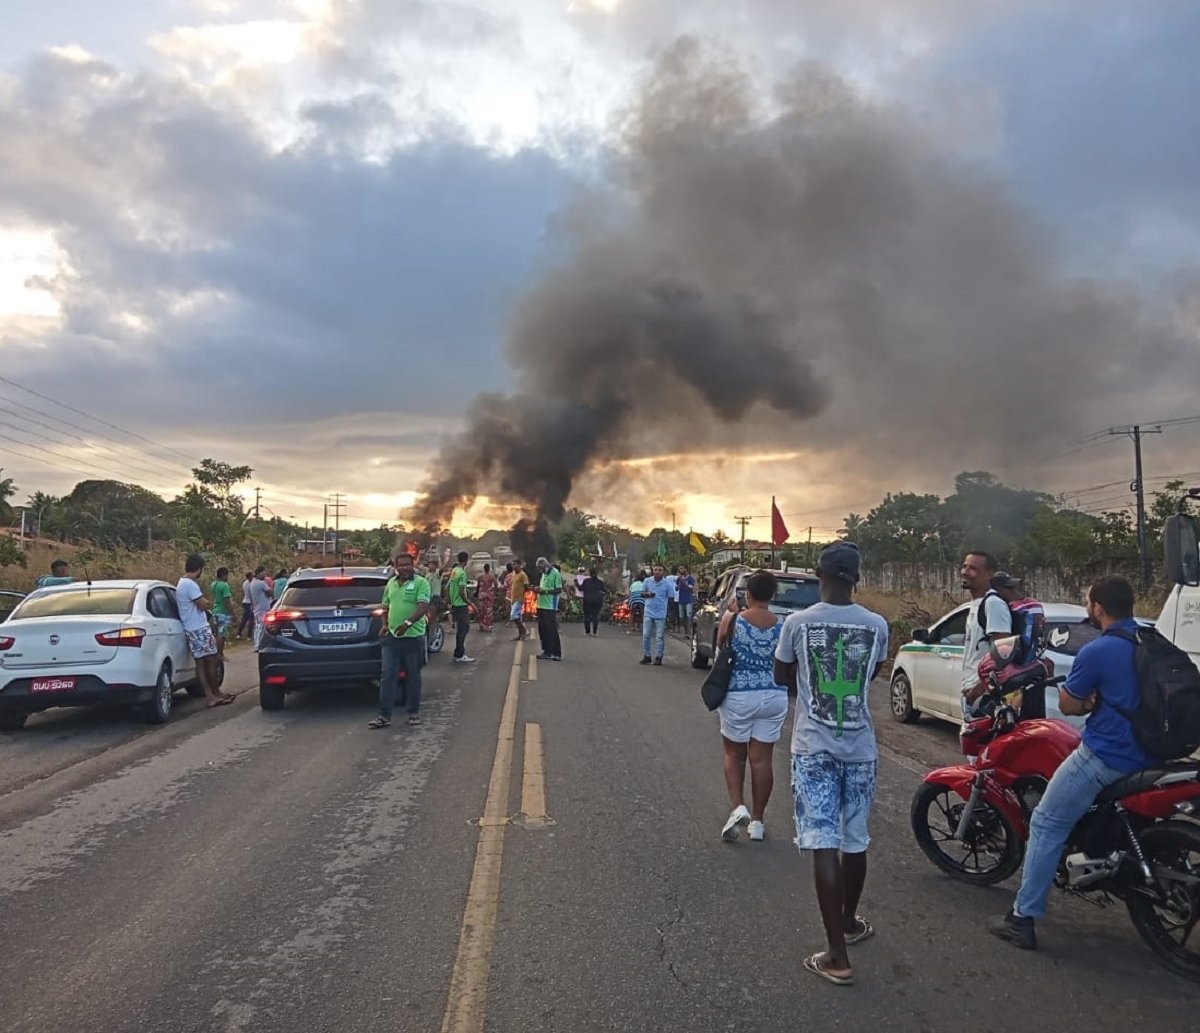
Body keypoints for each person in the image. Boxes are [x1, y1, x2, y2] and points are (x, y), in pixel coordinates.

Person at [990, 575, 1155, 951]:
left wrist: (1089, 701)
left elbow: (1069, 704)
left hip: (1107, 754)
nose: (1087, 608)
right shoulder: (1150, 639)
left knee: (1047, 821)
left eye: (1088, 602)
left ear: (1097, 607)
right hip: (1152, 754)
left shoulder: (1099, 650)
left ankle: (1022, 918)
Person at [774, 542, 889, 987]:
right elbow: (872, 672)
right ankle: (849, 922)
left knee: (823, 840)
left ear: (820, 574)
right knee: (855, 839)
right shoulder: (876, 624)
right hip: (860, 747)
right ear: (856, 577)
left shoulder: (798, 623)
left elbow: (782, 674)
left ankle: (836, 956)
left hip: (813, 746)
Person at [715, 569, 789, 843]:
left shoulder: (732, 620)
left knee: (734, 754)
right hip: (773, 695)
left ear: (747, 592)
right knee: (762, 759)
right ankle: (757, 822)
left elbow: (722, 647)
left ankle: (738, 808)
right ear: (772, 595)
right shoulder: (784, 625)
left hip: (739, 694)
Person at [369, 551, 432, 729]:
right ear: (395, 567)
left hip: (413, 637)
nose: (404, 568)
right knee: (388, 676)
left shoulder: (421, 583)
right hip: (391, 638)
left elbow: (422, 606)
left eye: (407, 564)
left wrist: (407, 623)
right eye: (401, 565)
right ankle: (384, 716)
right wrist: (384, 624)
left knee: (413, 677)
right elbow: (385, 606)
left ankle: (413, 713)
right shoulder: (391, 583)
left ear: (413, 565)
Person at [975, 572, 1047, 720]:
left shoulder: (1015, 610)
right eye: (1010, 588)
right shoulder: (1001, 607)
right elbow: (1001, 656)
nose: (1015, 592)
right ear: (999, 589)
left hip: (1020, 680)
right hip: (1016, 680)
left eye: (1015, 588)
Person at [959, 552, 1012, 722]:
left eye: (973, 568)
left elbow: (1004, 653)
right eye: (965, 566)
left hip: (984, 698)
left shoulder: (993, 604)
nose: (965, 572)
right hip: (971, 695)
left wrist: (980, 689)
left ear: (989, 574)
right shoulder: (977, 605)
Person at [176, 554, 234, 708]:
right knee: (212, 659)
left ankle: (213, 694)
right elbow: (203, 604)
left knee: (201, 663)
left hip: (191, 628)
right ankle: (213, 694)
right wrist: (206, 602)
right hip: (198, 628)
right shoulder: (190, 584)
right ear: (199, 569)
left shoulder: (181, 583)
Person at [640, 564, 672, 665]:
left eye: (660, 570)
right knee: (646, 635)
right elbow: (641, 593)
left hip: (661, 613)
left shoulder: (667, 584)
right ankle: (647, 656)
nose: (657, 572)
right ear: (653, 571)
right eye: (655, 570)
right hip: (648, 611)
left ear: (663, 572)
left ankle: (659, 657)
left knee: (659, 637)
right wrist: (647, 594)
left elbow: (670, 597)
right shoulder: (647, 581)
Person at [447, 551, 476, 663]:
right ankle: (459, 654)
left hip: (455, 604)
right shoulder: (462, 573)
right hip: (461, 604)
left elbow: (448, 586)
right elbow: (461, 591)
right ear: (467, 560)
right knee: (463, 629)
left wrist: (449, 600)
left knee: (462, 629)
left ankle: (458, 652)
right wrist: (470, 603)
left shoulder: (455, 571)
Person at [534, 556, 563, 661]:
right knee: (543, 630)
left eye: (540, 568)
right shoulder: (544, 574)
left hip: (550, 606)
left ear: (545, 565)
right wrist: (538, 589)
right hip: (541, 605)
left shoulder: (555, 573)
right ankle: (547, 651)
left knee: (552, 630)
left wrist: (545, 592)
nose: (540, 570)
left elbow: (558, 590)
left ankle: (556, 653)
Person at [210, 566, 236, 655]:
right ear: (224, 575)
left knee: (216, 633)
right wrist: (232, 613)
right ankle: (219, 653)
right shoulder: (224, 585)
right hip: (223, 613)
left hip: (215, 610)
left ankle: (218, 653)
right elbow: (227, 601)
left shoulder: (214, 584)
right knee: (222, 635)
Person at [249, 567, 273, 651]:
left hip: (257, 607)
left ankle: (257, 643)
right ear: (258, 573)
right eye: (263, 573)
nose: (264, 575)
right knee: (261, 626)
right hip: (262, 608)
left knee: (257, 626)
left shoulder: (252, 583)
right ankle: (259, 644)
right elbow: (270, 592)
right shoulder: (261, 583)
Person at [509, 558, 530, 641]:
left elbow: (526, 587)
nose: (512, 566)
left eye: (514, 564)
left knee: (513, 616)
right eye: (512, 564)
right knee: (518, 617)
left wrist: (522, 594)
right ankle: (520, 634)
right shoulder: (514, 575)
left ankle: (524, 631)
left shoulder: (523, 575)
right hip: (513, 599)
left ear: (519, 565)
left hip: (519, 599)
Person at [580, 567, 606, 635]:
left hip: (587, 600)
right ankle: (595, 632)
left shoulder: (586, 581)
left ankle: (587, 631)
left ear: (590, 573)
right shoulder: (600, 582)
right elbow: (604, 590)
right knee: (595, 615)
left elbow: (581, 589)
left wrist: (576, 583)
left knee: (587, 616)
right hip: (597, 600)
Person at [476, 563, 497, 633]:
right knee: (488, 610)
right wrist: (493, 590)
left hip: (481, 594)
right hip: (489, 594)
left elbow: (478, 586)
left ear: (484, 568)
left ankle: (481, 625)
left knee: (481, 610)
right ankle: (487, 625)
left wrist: (477, 593)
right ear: (489, 568)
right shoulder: (491, 576)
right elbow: (496, 585)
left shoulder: (480, 576)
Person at [677, 565, 697, 631]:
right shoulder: (679, 578)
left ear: (686, 569)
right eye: (679, 568)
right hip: (681, 599)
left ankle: (688, 632)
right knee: (681, 617)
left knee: (689, 616)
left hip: (688, 599)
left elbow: (691, 588)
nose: (680, 570)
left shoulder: (690, 578)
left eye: (682, 568)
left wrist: (683, 581)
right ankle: (685, 630)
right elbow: (677, 588)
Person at [236, 572, 255, 640]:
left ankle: (239, 633)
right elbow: (252, 595)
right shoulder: (251, 584)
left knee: (245, 618)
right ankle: (249, 636)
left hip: (245, 601)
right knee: (251, 619)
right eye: (252, 576)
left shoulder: (245, 583)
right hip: (249, 602)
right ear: (250, 577)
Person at [629, 570, 646, 634]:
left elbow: (630, 593)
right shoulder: (644, 584)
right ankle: (643, 629)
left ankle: (630, 628)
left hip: (633, 599)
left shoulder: (633, 584)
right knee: (642, 613)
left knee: (632, 613)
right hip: (641, 600)